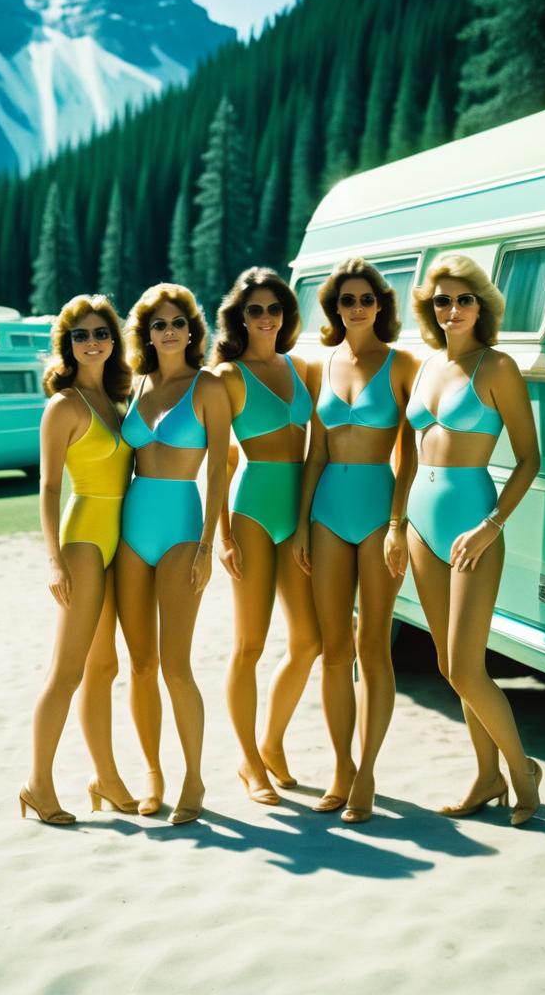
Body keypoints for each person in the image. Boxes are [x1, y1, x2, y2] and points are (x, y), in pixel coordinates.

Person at [406, 254, 543, 826]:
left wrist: (491, 526)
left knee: (467, 667)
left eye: (463, 299)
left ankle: (522, 773)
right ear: (429, 308)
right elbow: (409, 450)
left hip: (472, 524)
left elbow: (530, 459)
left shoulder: (499, 367)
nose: (453, 309)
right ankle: (485, 777)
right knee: (446, 663)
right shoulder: (427, 365)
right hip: (419, 522)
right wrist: (396, 526)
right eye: (442, 300)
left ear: (481, 306)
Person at [292, 257, 418, 824]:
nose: (357, 307)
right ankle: (341, 768)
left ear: (380, 305)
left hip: (376, 512)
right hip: (325, 514)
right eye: (347, 300)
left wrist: (397, 524)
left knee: (374, 650)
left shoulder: (402, 364)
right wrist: (299, 525)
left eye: (366, 298)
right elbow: (314, 452)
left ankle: (367, 773)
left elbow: (409, 452)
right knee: (334, 649)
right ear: (334, 308)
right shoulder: (321, 366)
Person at [115, 283, 230, 825]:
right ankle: (153, 775)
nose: (168, 331)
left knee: (176, 665)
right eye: (158, 324)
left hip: (184, 528)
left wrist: (210, 543)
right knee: (139, 665)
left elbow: (219, 468)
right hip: (131, 530)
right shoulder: (135, 385)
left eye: (177, 322)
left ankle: (193, 778)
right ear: (147, 332)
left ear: (191, 330)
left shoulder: (206, 387)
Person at [22, 295, 137, 824]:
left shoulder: (119, 398)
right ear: (68, 345)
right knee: (66, 670)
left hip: (121, 538)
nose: (92, 342)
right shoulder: (63, 405)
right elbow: (47, 489)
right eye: (81, 335)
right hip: (84, 539)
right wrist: (53, 561)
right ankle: (37, 785)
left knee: (105, 665)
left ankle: (105, 778)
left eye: (100, 333)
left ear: (113, 340)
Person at [211, 268, 322, 805]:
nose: (266, 318)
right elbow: (218, 461)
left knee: (309, 641)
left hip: (294, 511)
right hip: (252, 509)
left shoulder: (300, 367)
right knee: (249, 644)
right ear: (240, 316)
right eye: (254, 310)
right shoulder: (228, 376)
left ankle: (272, 742)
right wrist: (223, 535)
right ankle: (248, 762)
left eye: (274, 308)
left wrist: (304, 522)